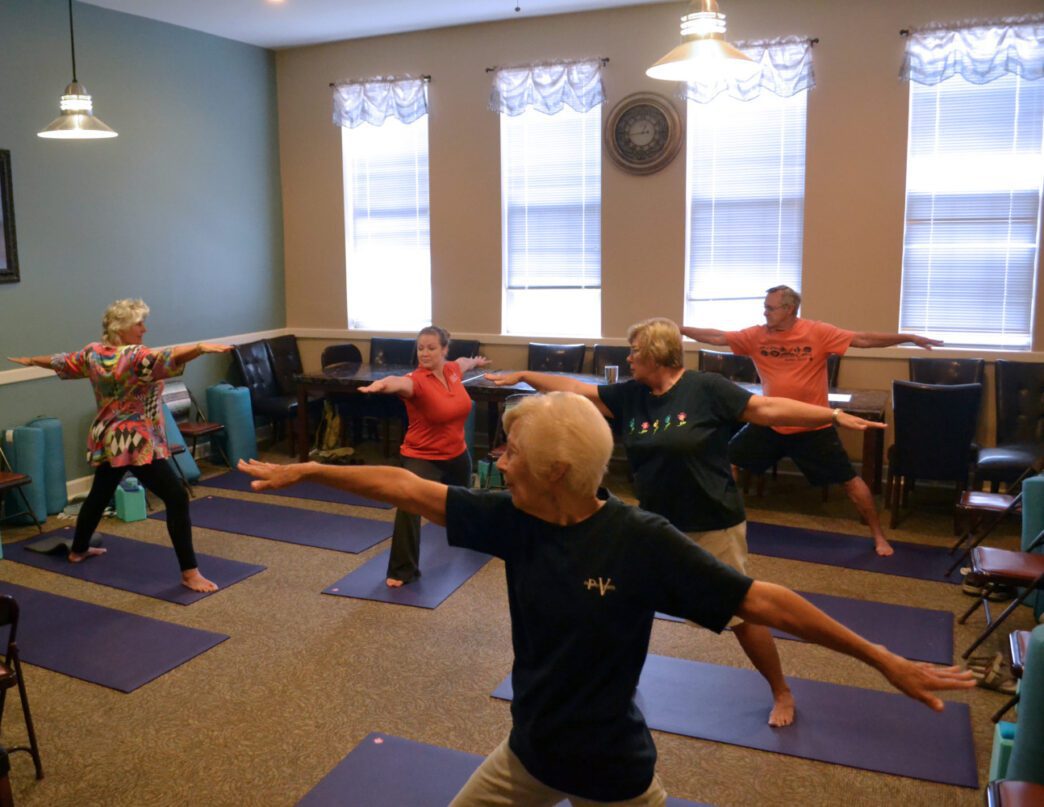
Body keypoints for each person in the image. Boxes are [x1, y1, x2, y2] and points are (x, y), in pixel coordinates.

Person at [237, 392, 973, 806]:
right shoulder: (514, 517)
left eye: (511, 451)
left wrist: (882, 659)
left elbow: (765, 600)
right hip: (526, 753)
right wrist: (308, 469)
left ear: (555, 470)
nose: (499, 460)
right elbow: (406, 486)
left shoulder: (639, 540)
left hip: (614, 772)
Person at [485, 318, 886, 728]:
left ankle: (781, 690)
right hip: (652, 526)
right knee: (623, 603)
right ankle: (616, 682)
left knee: (741, 616)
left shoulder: (705, 388)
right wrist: (521, 375)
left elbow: (765, 409)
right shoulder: (631, 396)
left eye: (635, 350)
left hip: (713, 521)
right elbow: (574, 390)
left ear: (657, 352)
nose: (629, 357)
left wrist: (832, 415)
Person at [680, 285, 943, 558]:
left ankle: (878, 535)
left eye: (770, 307)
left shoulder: (817, 332)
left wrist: (908, 337)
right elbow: (718, 336)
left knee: (850, 481)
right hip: (771, 422)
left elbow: (863, 339)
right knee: (727, 461)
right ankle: (724, 521)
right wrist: (681, 330)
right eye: (765, 307)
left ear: (789, 309)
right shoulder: (756, 336)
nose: (765, 312)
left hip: (812, 426)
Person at [8, 298, 231, 592]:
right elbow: (168, 357)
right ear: (121, 327)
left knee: (100, 493)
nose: (144, 329)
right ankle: (190, 573)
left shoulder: (94, 354)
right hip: (134, 441)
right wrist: (200, 348)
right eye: (139, 324)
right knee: (176, 496)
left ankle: (78, 550)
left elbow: (63, 361)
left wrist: (32, 360)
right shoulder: (136, 357)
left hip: (107, 436)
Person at [358, 326, 490, 587]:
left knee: (466, 500)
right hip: (422, 456)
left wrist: (476, 361)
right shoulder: (416, 381)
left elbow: (463, 362)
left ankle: (476, 540)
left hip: (456, 453)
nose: (425, 353)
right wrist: (382, 385)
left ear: (444, 350)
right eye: (420, 348)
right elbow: (399, 382)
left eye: (431, 348)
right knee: (409, 506)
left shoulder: (452, 370)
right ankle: (401, 570)